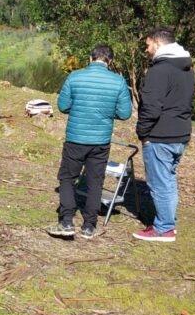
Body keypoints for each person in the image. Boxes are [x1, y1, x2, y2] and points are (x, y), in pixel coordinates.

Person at [47, 45, 132, 239]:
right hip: (100, 141)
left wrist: (78, 109)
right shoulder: (118, 82)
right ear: (110, 61)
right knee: (95, 182)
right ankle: (89, 226)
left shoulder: (74, 77)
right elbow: (125, 113)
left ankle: (66, 221)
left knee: (67, 178)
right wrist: (108, 112)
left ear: (90, 58)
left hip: (76, 138)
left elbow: (63, 106)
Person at [133, 27, 195, 242]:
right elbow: (190, 103)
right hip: (180, 134)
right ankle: (168, 223)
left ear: (158, 44)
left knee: (160, 184)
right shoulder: (186, 68)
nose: (146, 50)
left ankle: (163, 228)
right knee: (168, 181)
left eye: (148, 45)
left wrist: (142, 132)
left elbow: (151, 107)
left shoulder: (160, 71)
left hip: (160, 137)